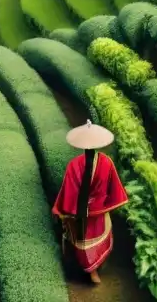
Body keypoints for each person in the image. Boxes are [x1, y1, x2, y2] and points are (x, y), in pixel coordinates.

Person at [52, 120, 129, 284]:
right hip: (99, 211)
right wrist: (107, 204)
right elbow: (113, 186)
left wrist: (66, 212)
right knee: (98, 238)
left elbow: (69, 192)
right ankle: (94, 269)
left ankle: (91, 270)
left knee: (83, 242)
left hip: (81, 214)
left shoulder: (74, 165)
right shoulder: (106, 162)